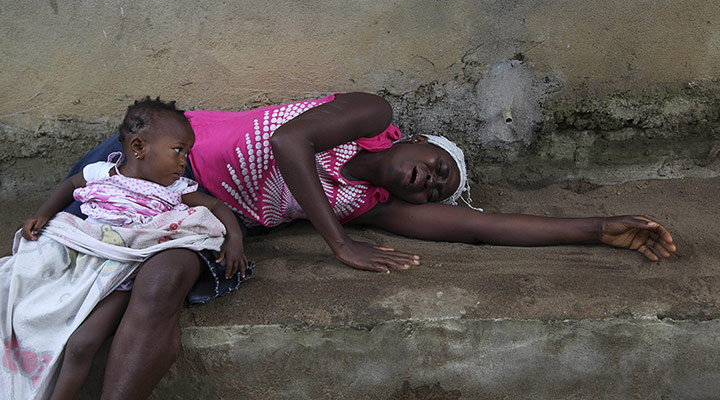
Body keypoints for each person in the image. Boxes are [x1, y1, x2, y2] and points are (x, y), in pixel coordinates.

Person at [56, 92, 675, 399]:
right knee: (69, 272)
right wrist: (338, 245)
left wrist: (600, 228)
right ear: (414, 142)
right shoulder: (371, 115)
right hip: (145, 170)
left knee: (159, 287)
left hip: (194, 216)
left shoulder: (376, 208)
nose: (428, 182)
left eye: (437, 191)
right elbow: (290, 144)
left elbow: (489, 226)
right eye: (435, 166)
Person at [0, 98, 251, 400]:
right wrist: (43, 214)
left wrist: (234, 238)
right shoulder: (102, 173)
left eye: (186, 152)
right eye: (177, 150)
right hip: (83, 260)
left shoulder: (174, 189)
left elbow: (215, 206)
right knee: (38, 310)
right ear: (138, 147)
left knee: (82, 343)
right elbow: (69, 186)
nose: (184, 161)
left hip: (121, 276)